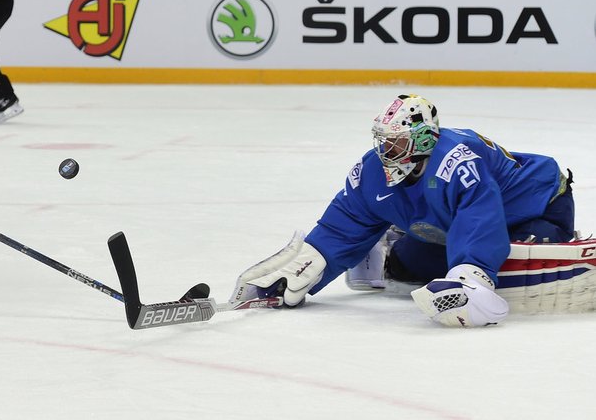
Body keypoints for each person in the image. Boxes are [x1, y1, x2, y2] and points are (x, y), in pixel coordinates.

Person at [229, 94, 576, 328]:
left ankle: (558, 247)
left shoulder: (458, 159)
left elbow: (479, 218)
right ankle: (393, 243)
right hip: (449, 221)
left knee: (513, 263)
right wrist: (308, 265)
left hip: (538, 207)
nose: (384, 149)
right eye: (382, 139)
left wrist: (472, 276)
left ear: (423, 140)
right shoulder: (371, 171)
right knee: (408, 268)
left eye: (394, 141)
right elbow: (344, 225)